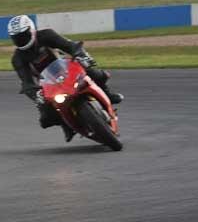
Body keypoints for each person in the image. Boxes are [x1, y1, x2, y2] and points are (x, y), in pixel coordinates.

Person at [7, 14, 124, 142]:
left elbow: (69, 45)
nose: (21, 40)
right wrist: (36, 95)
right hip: (47, 82)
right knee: (46, 118)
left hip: (65, 67)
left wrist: (81, 55)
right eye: (17, 38)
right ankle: (66, 125)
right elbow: (26, 82)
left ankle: (107, 94)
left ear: (31, 30)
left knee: (95, 73)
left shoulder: (46, 35)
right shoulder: (17, 59)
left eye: (23, 35)